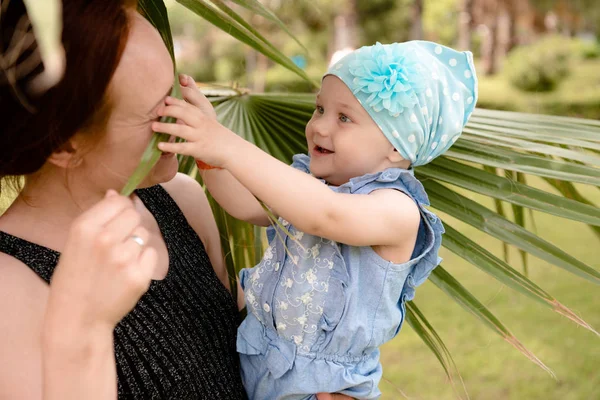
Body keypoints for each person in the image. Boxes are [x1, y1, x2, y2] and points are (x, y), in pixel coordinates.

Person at [154, 41, 478, 399]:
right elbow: (248, 205)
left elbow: (326, 215)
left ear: (397, 145)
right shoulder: (308, 184)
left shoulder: (397, 209)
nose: (319, 127)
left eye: (344, 118)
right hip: (256, 367)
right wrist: (211, 155)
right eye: (319, 108)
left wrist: (229, 145)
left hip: (320, 389)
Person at [0, 0, 246, 398]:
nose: (183, 118)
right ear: (64, 143)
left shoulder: (183, 200)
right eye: (156, 112)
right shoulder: (7, 290)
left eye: (174, 91)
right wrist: (84, 331)